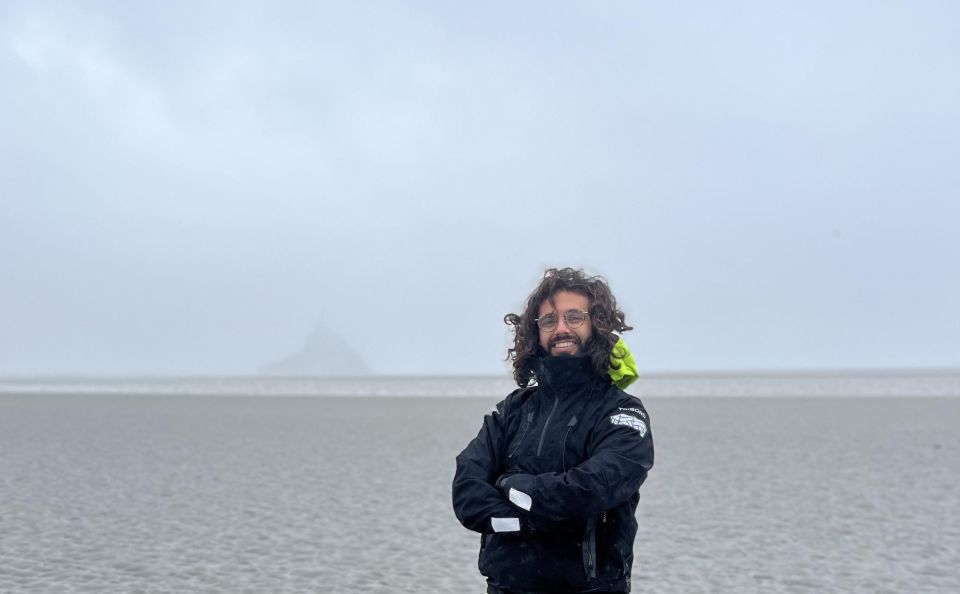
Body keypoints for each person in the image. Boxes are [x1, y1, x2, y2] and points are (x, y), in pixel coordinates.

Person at [452, 267, 654, 594]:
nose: (561, 328)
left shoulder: (622, 412)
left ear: (597, 324)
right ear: (536, 333)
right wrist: (524, 522)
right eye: (549, 321)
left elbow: (592, 488)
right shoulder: (512, 411)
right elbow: (466, 490)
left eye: (574, 317)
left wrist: (511, 486)